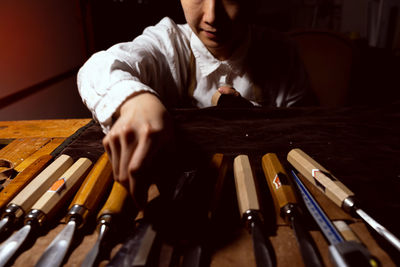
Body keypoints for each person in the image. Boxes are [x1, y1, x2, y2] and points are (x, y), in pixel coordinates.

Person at [77, 0, 316, 208]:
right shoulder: (168, 42)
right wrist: (136, 101)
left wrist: (251, 116)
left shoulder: (283, 52)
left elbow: (305, 137)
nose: (212, 17)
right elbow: (99, 67)